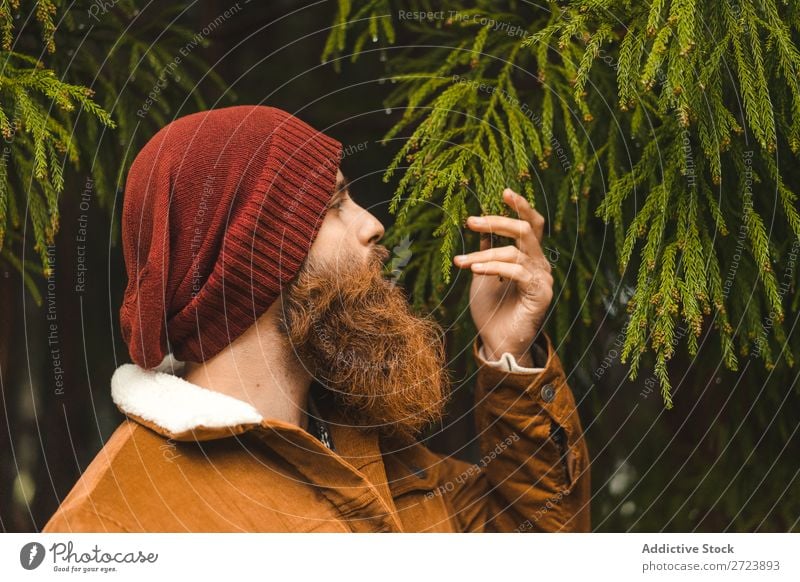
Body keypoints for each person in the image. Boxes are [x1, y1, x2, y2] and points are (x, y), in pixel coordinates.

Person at [42, 105, 590, 533]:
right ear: (246, 261)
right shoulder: (112, 526)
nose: (373, 225)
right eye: (334, 204)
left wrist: (508, 352)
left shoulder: (370, 449)